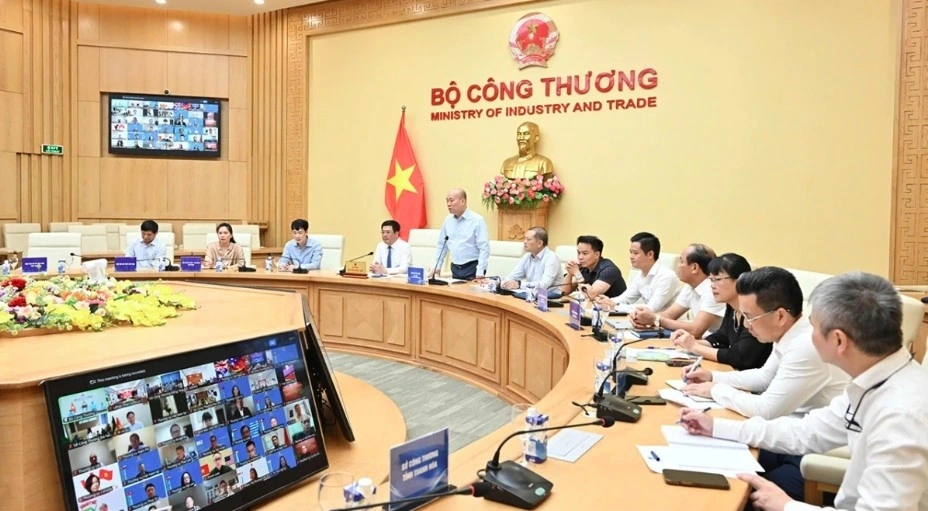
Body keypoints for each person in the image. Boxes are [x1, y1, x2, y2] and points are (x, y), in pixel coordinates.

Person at [679, 272, 928, 510]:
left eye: (813, 326)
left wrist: (786, 506)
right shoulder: (873, 382)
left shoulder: (901, 415)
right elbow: (807, 431)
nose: (809, 335)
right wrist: (716, 427)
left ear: (839, 341)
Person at [682, 266, 849, 420]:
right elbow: (764, 378)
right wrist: (712, 376)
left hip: (804, 432)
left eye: (750, 317)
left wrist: (715, 389)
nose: (746, 324)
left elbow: (766, 410)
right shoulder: (789, 330)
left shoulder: (806, 344)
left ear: (780, 316)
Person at [670, 253, 772, 370]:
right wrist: (688, 342)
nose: (712, 286)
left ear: (740, 280)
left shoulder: (755, 311)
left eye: (717, 279)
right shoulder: (732, 306)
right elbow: (721, 338)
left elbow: (740, 357)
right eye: (711, 280)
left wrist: (695, 347)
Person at [631, 243, 725, 338]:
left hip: (714, 343)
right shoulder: (690, 287)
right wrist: (641, 317)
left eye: (681, 261)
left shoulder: (713, 290)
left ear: (694, 268)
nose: (678, 266)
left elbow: (696, 330)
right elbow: (669, 315)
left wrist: (655, 319)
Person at [595, 232, 678, 313]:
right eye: (630, 252)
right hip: (645, 320)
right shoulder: (640, 275)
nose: (631, 257)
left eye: (635, 253)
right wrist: (606, 301)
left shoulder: (667, 277)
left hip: (667, 321)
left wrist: (616, 306)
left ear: (650, 254)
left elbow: (651, 308)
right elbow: (625, 299)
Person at [431, 188, 490, 280]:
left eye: (451, 200)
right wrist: (437, 267)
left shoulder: (477, 220)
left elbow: (484, 248)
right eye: (447, 201)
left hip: (472, 267)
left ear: (462, 201)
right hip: (455, 268)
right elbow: (442, 246)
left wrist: (480, 272)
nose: (448, 204)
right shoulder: (447, 221)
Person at [561, 235, 626, 299]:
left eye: (584, 253)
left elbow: (590, 295)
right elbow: (564, 292)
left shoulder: (609, 270)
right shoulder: (584, 267)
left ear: (597, 254)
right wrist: (570, 272)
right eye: (578, 253)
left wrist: (577, 273)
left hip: (616, 305)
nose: (580, 257)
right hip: (595, 305)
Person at [500, 227, 564, 291]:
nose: (524, 242)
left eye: (528, 239)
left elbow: (544, 285)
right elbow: (514, 276)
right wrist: (505, 283)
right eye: (524, 239)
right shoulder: (526, 256)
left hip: (549, 296)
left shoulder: (551, 258)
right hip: (530, 294)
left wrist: (519, 285)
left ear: (539, 243)